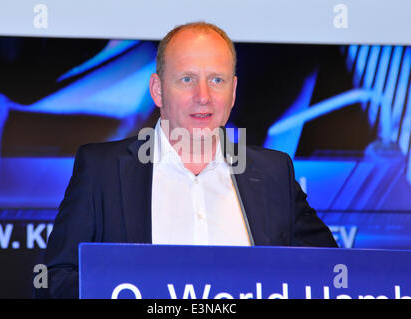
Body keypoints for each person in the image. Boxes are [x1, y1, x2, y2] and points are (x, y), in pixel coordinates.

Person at [37, 21, 337, 299]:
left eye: (216, 80)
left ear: (232, 93)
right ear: (157, 90)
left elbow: (335, 274)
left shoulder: (273, 172)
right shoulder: (101, 170)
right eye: (187, 79)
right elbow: (53, 280)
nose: (203, 96)